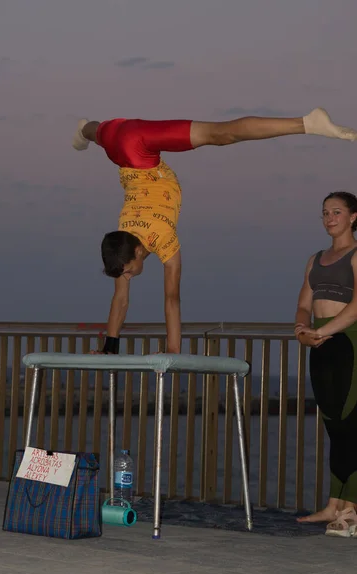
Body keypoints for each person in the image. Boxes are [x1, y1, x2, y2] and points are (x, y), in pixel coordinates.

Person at [72, 109, 357, 355]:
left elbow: (171, 298)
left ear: (137, 252)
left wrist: (173, 350)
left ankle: (307, 123)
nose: (127, 276)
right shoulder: (123, 237)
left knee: (222, 134)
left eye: (127, 271)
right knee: (97, 131)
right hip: (116, 145)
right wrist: (111, 346)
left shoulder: (164, 239)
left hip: (137, 147)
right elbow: (120, 298)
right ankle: (85, 130)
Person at [295, 191, 357, 537]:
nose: (329, 218)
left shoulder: (356, 255)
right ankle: (334, 505)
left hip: (348, 341)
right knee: (335, 425)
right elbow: (304, 303)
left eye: (336, 212)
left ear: (353, 217)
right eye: (324, 213)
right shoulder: (315, 259)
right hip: (320, 344)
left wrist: (323, 332)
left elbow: (356, 307)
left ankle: (351, 510)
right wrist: (302, 330)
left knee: (352, 424)